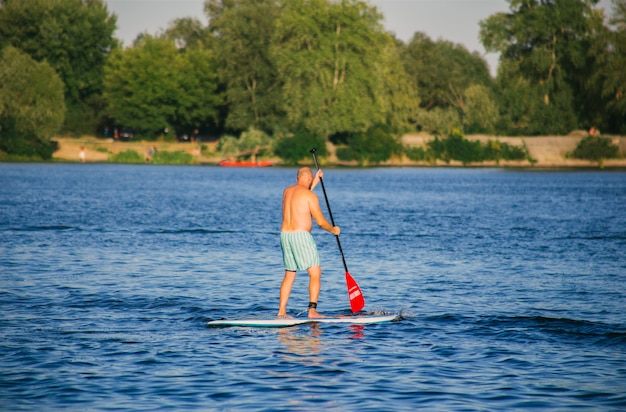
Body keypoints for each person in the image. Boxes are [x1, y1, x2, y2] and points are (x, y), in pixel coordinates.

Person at [277, 167, 340, 319]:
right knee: (315, 273)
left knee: (290, 274)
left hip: (285, 236)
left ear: (298, 177)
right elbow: (320, 222)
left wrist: (316, 179)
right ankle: (312, 311)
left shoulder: (287, 191)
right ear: (308, 178)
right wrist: (333, 230)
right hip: (301, 237)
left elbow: (301, 195)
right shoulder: (310, 196)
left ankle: (281, 312)